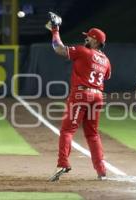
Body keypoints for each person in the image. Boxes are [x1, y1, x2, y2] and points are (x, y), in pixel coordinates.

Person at [45, 12, 111, 182]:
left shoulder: (83, 52)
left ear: (96, 41)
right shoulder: (106, 60)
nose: (86, 39)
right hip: (97, 96)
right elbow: (107, 76)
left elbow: (58, 48)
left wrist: (55, 30)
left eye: (88, 37)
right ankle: (101, 170)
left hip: (81, 94)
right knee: (93, 134)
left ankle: (63, 163)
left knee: (67, 130)